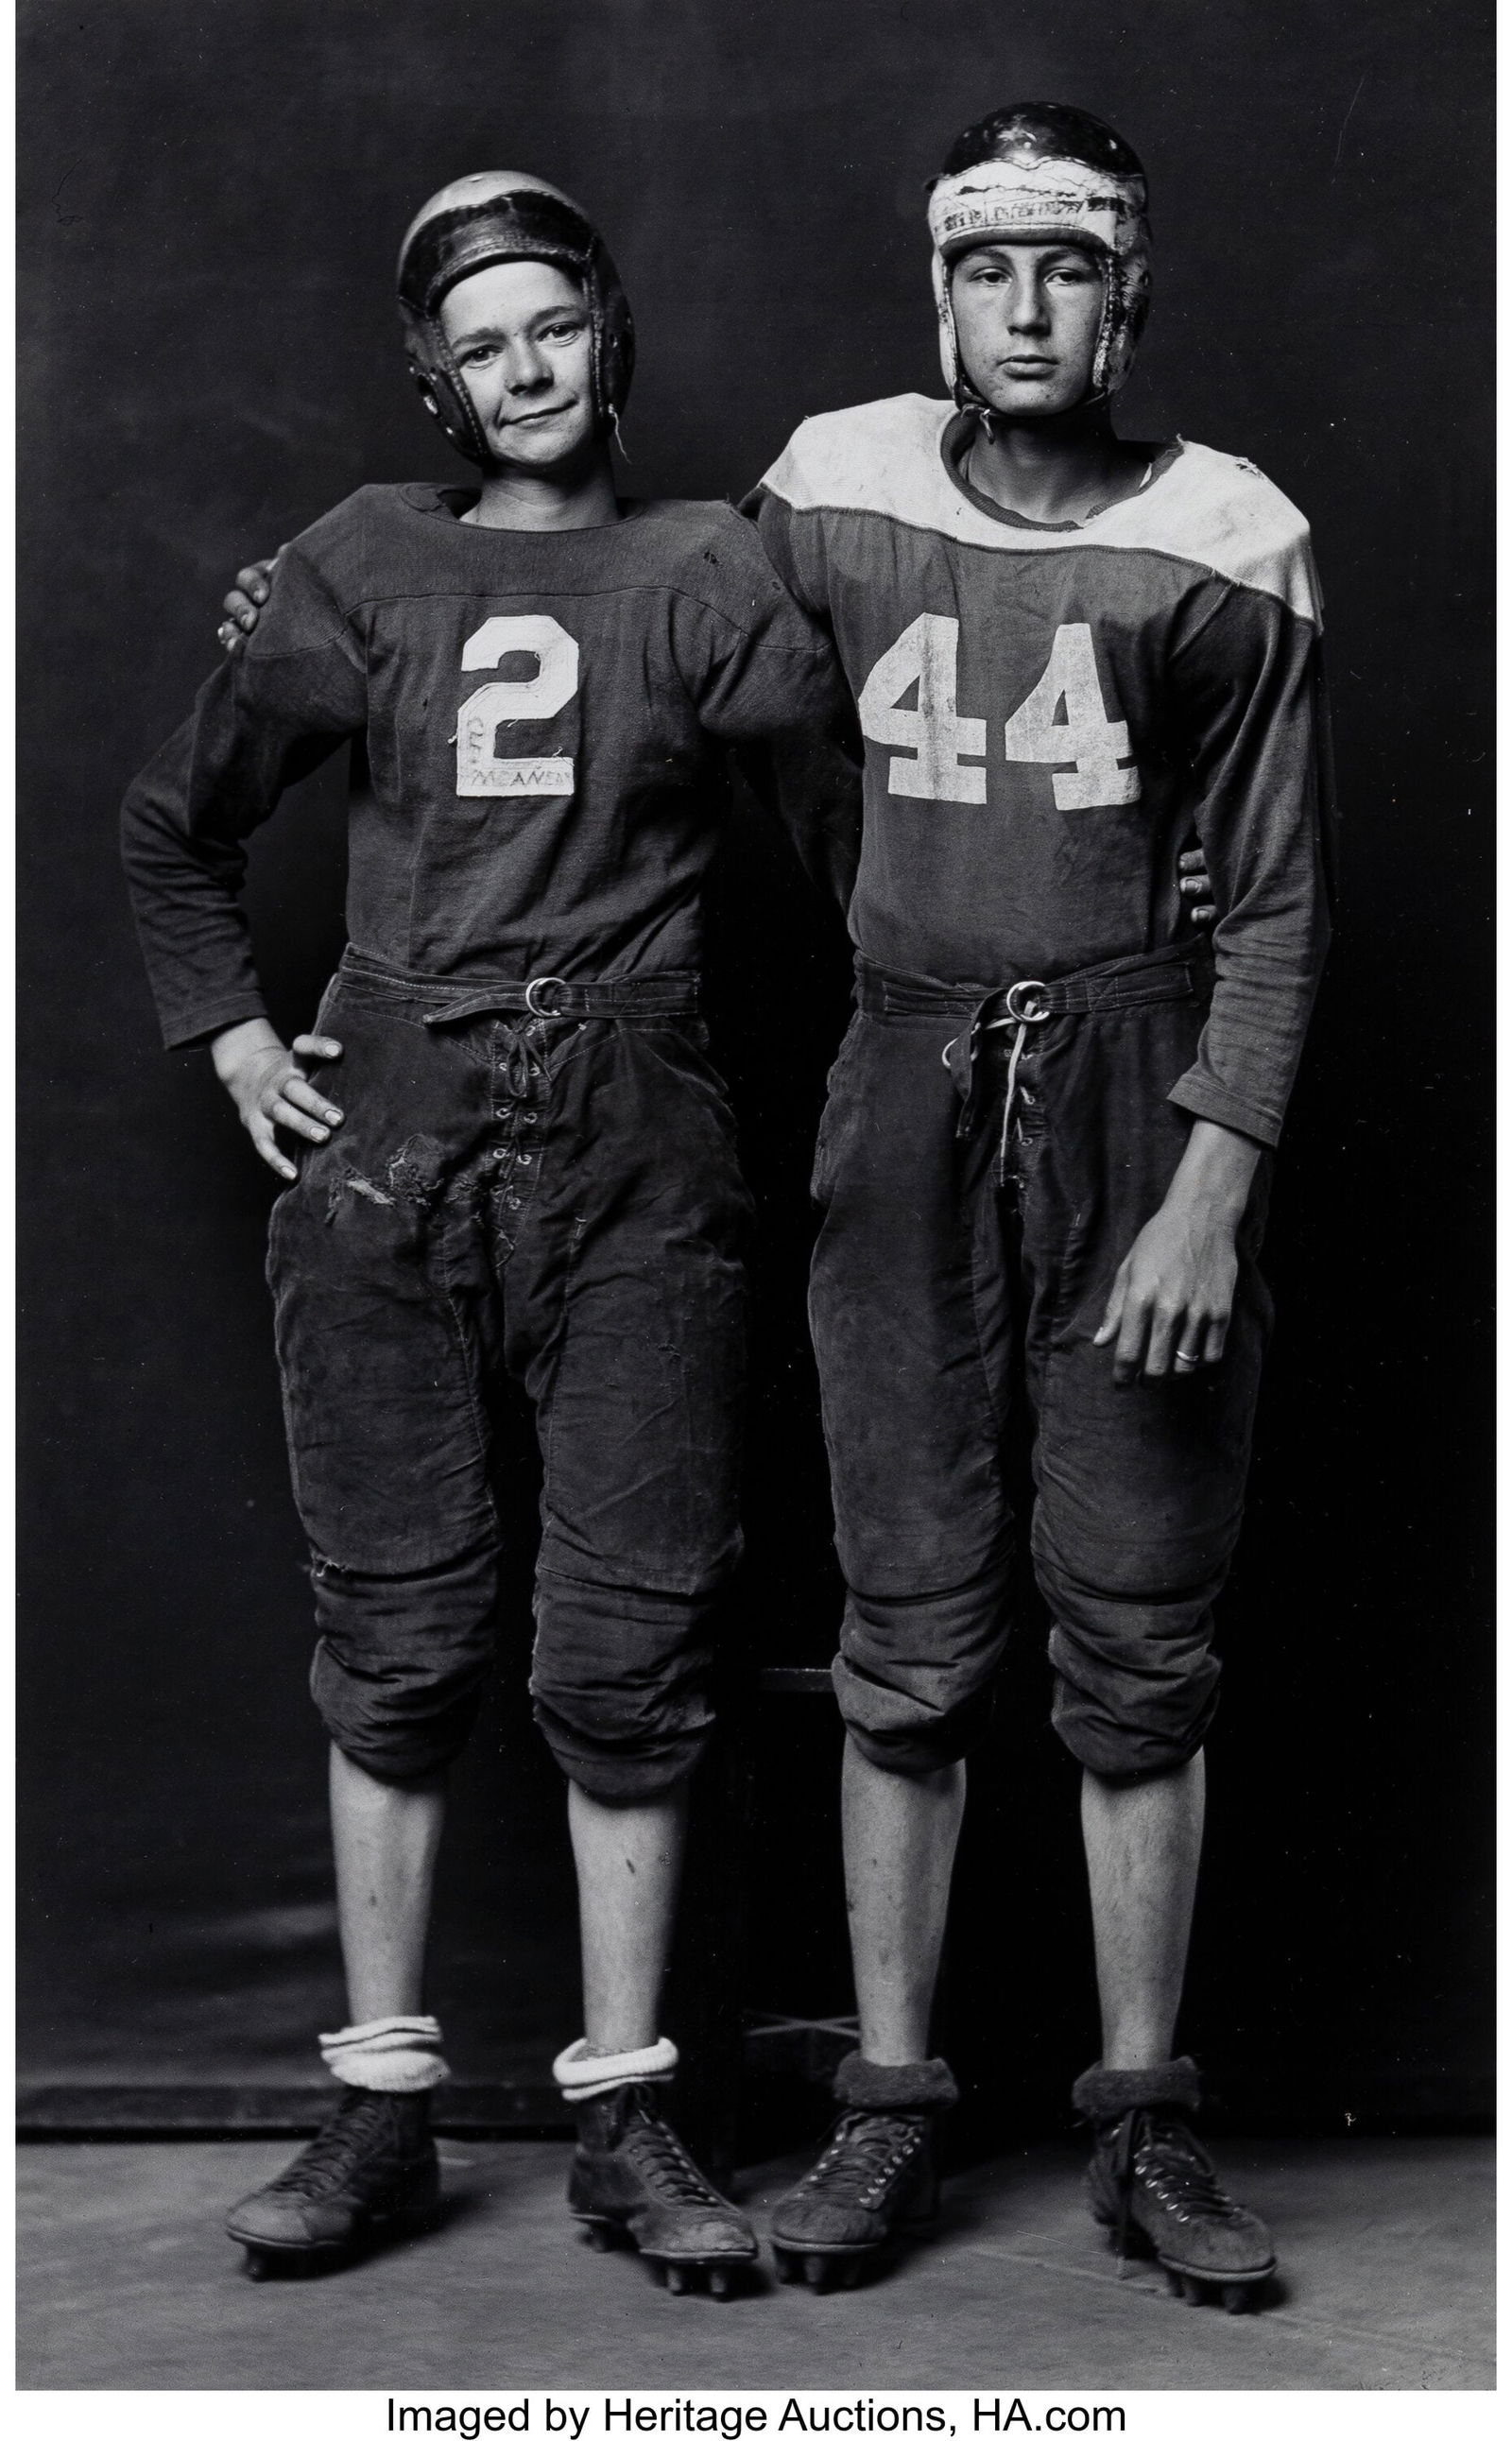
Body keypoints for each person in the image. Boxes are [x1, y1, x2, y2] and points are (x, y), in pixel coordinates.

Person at [122, 170, 858, 2295]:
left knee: (629, 1641)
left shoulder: (712, 562)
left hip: (638, 1122)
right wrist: (239, 1036)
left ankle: (627, 2112)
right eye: (483, 340)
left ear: (605, 332)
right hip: (392, 1125)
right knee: (401, 1625)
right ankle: (376, 2105)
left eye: (556, 324)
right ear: (429, 371)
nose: (524, 369)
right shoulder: (355, 558)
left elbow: (862, 848)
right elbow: (176, 824)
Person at [740, 103, 1332, 2303]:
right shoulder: (832, 485)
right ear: (935, 294)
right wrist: (342, 592)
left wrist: (1207, 1179)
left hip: (1130, 1081)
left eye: (1063, 269)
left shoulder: (1222, 535)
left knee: (1138, 1620)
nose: (1021, 306)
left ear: (1125, 293)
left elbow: (1276, 902)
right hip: (907, 1070)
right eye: (984, 268)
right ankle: (886, 2100)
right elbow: (674, 664)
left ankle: (1142, 2117)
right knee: (901, 1612)